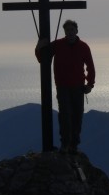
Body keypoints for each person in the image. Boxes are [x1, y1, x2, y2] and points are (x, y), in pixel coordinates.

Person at [35, 19, 95, 154]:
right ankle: (66, 144)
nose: (70, 32)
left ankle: (73, 144)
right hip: (63, 86)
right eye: (68, 30)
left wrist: (90, 84)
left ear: (76, 31)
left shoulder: (84, 47)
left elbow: (90, 66)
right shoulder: (58, 45)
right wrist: (39, 47)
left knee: (77, 116)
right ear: (65, 32)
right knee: (65, 116)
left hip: (78, 87)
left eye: (72, 30)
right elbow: (43, 58)